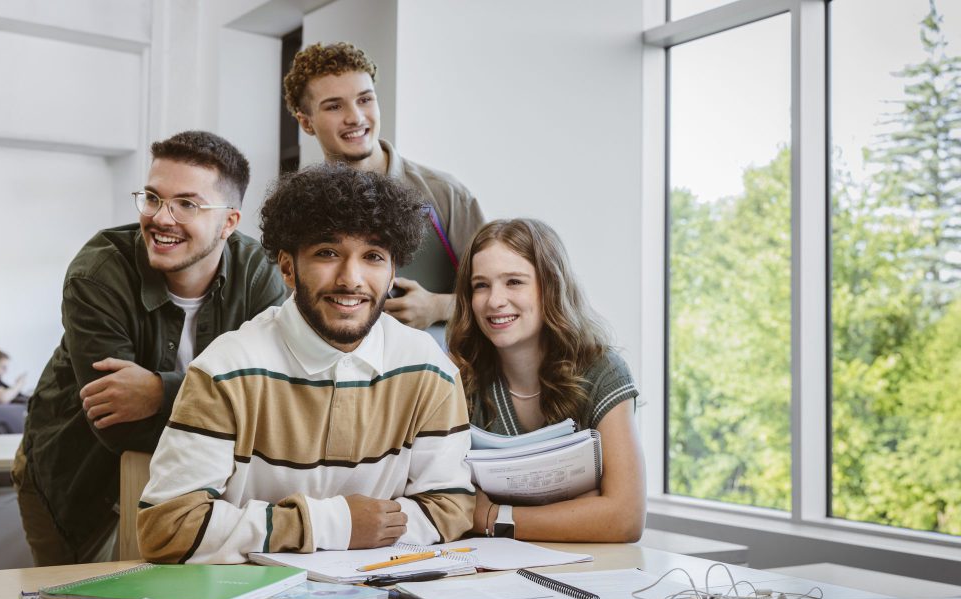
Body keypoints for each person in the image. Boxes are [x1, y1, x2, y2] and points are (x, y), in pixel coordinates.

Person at [137, 164, 475, 564]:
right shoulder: (226, 370)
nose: (351, 278)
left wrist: (369, 530)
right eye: (327, 253)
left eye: (373, 256)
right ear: (287, 268)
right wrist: (336, 524)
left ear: (392, 273)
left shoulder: (430, 371)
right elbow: (167, 527)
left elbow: (451, 507)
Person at [14, 130, 287, 566]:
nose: (162, 217)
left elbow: (283, 396)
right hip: (77, 480)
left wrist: (160, 392)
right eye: (153, 198)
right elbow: (115, 425)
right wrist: (232, 415)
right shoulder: (97, 273)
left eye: (187, 204)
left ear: (229, 222)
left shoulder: (258, 275)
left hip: (194, 494)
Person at [447, 218, 646, 543]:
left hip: (590, 571)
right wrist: (581, 511)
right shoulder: (459, 375)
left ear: (550, 287)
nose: (494, 300)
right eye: (480, 285)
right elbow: (448, 506)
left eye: (514, 282)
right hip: (489, 574)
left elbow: (625, 518)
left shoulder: (602, 370)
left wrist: (492, 516)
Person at [283, 41, 485, 336]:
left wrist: (438, 307)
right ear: (306, 122)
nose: (355, 117)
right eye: (335, 106)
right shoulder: (297, 208)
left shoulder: (445, 194)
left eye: (365, 100)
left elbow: (503, 295)